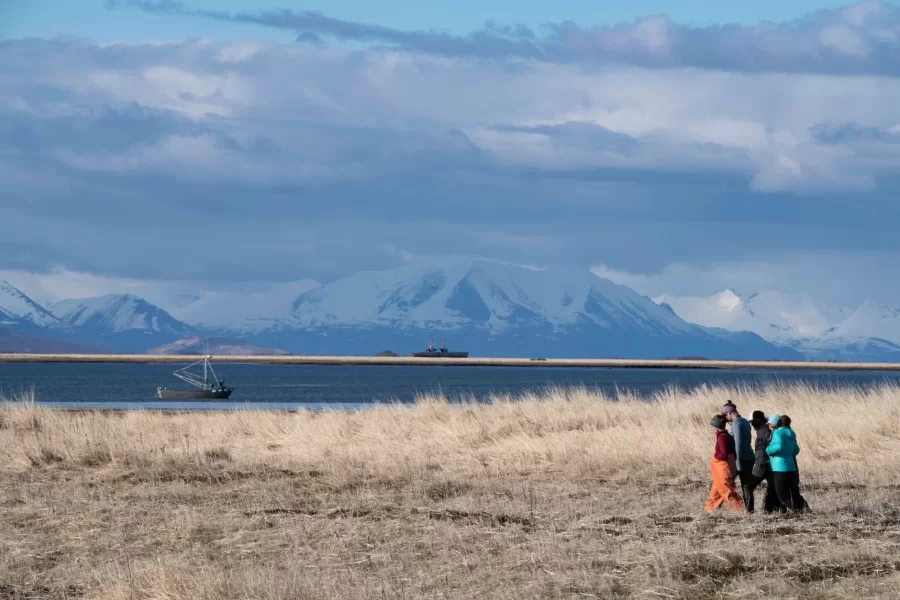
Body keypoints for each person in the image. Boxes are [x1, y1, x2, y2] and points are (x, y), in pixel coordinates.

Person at [766, 414, 809, 513]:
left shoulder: (778, 432)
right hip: (791, 466)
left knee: (783, 495)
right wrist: (788, 454)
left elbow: (779, 447)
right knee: (794, 493)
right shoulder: (791, 433)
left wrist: (768, 450)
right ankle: (807, 511)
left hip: (779, 467)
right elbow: (796, 449)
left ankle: (798, 512)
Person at [704, 414, 745, 513]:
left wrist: (716, 457)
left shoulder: (721, 437)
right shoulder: (728, 436)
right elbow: (733, 453)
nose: (712, 429)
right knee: (716, 491)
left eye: (713, 426)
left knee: (726, 491)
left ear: (716, 427)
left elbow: (723, 454)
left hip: (722, 468)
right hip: (728, 467)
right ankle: (710, 511)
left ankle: (740, 510)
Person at [747, 410, 783, 513]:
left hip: (763, 463)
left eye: (752, 422)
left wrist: (763, 458)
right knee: (772, 486)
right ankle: (770, 509)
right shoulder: (766, 429)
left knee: (748, 486)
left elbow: (771, 444)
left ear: (758, 420)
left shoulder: (764, 430)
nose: (752, 425)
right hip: (769, 462)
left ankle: (749, 510)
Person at [722, 402, 755, 512]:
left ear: (730, 413)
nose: (725, 418)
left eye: (725, 415)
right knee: (747, 484)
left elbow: (738, 444)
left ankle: (748, 510)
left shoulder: (736, 423)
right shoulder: (745, 421)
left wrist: (738, 463)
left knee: (745, 485)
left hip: (742, 458)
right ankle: (749, 508)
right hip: (749, 456)